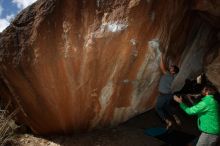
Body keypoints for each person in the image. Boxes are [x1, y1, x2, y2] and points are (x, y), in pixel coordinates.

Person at [156, 55, 181, 129]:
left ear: (173, 71)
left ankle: (167, 121)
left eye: (171, 68)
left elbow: (162, 67)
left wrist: (160, 56)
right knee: (166, 107)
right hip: (169, 95)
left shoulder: (168, 74)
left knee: (158, 108)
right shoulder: (173, 77)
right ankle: (175, 116)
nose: (170, 68)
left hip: (164, 95)